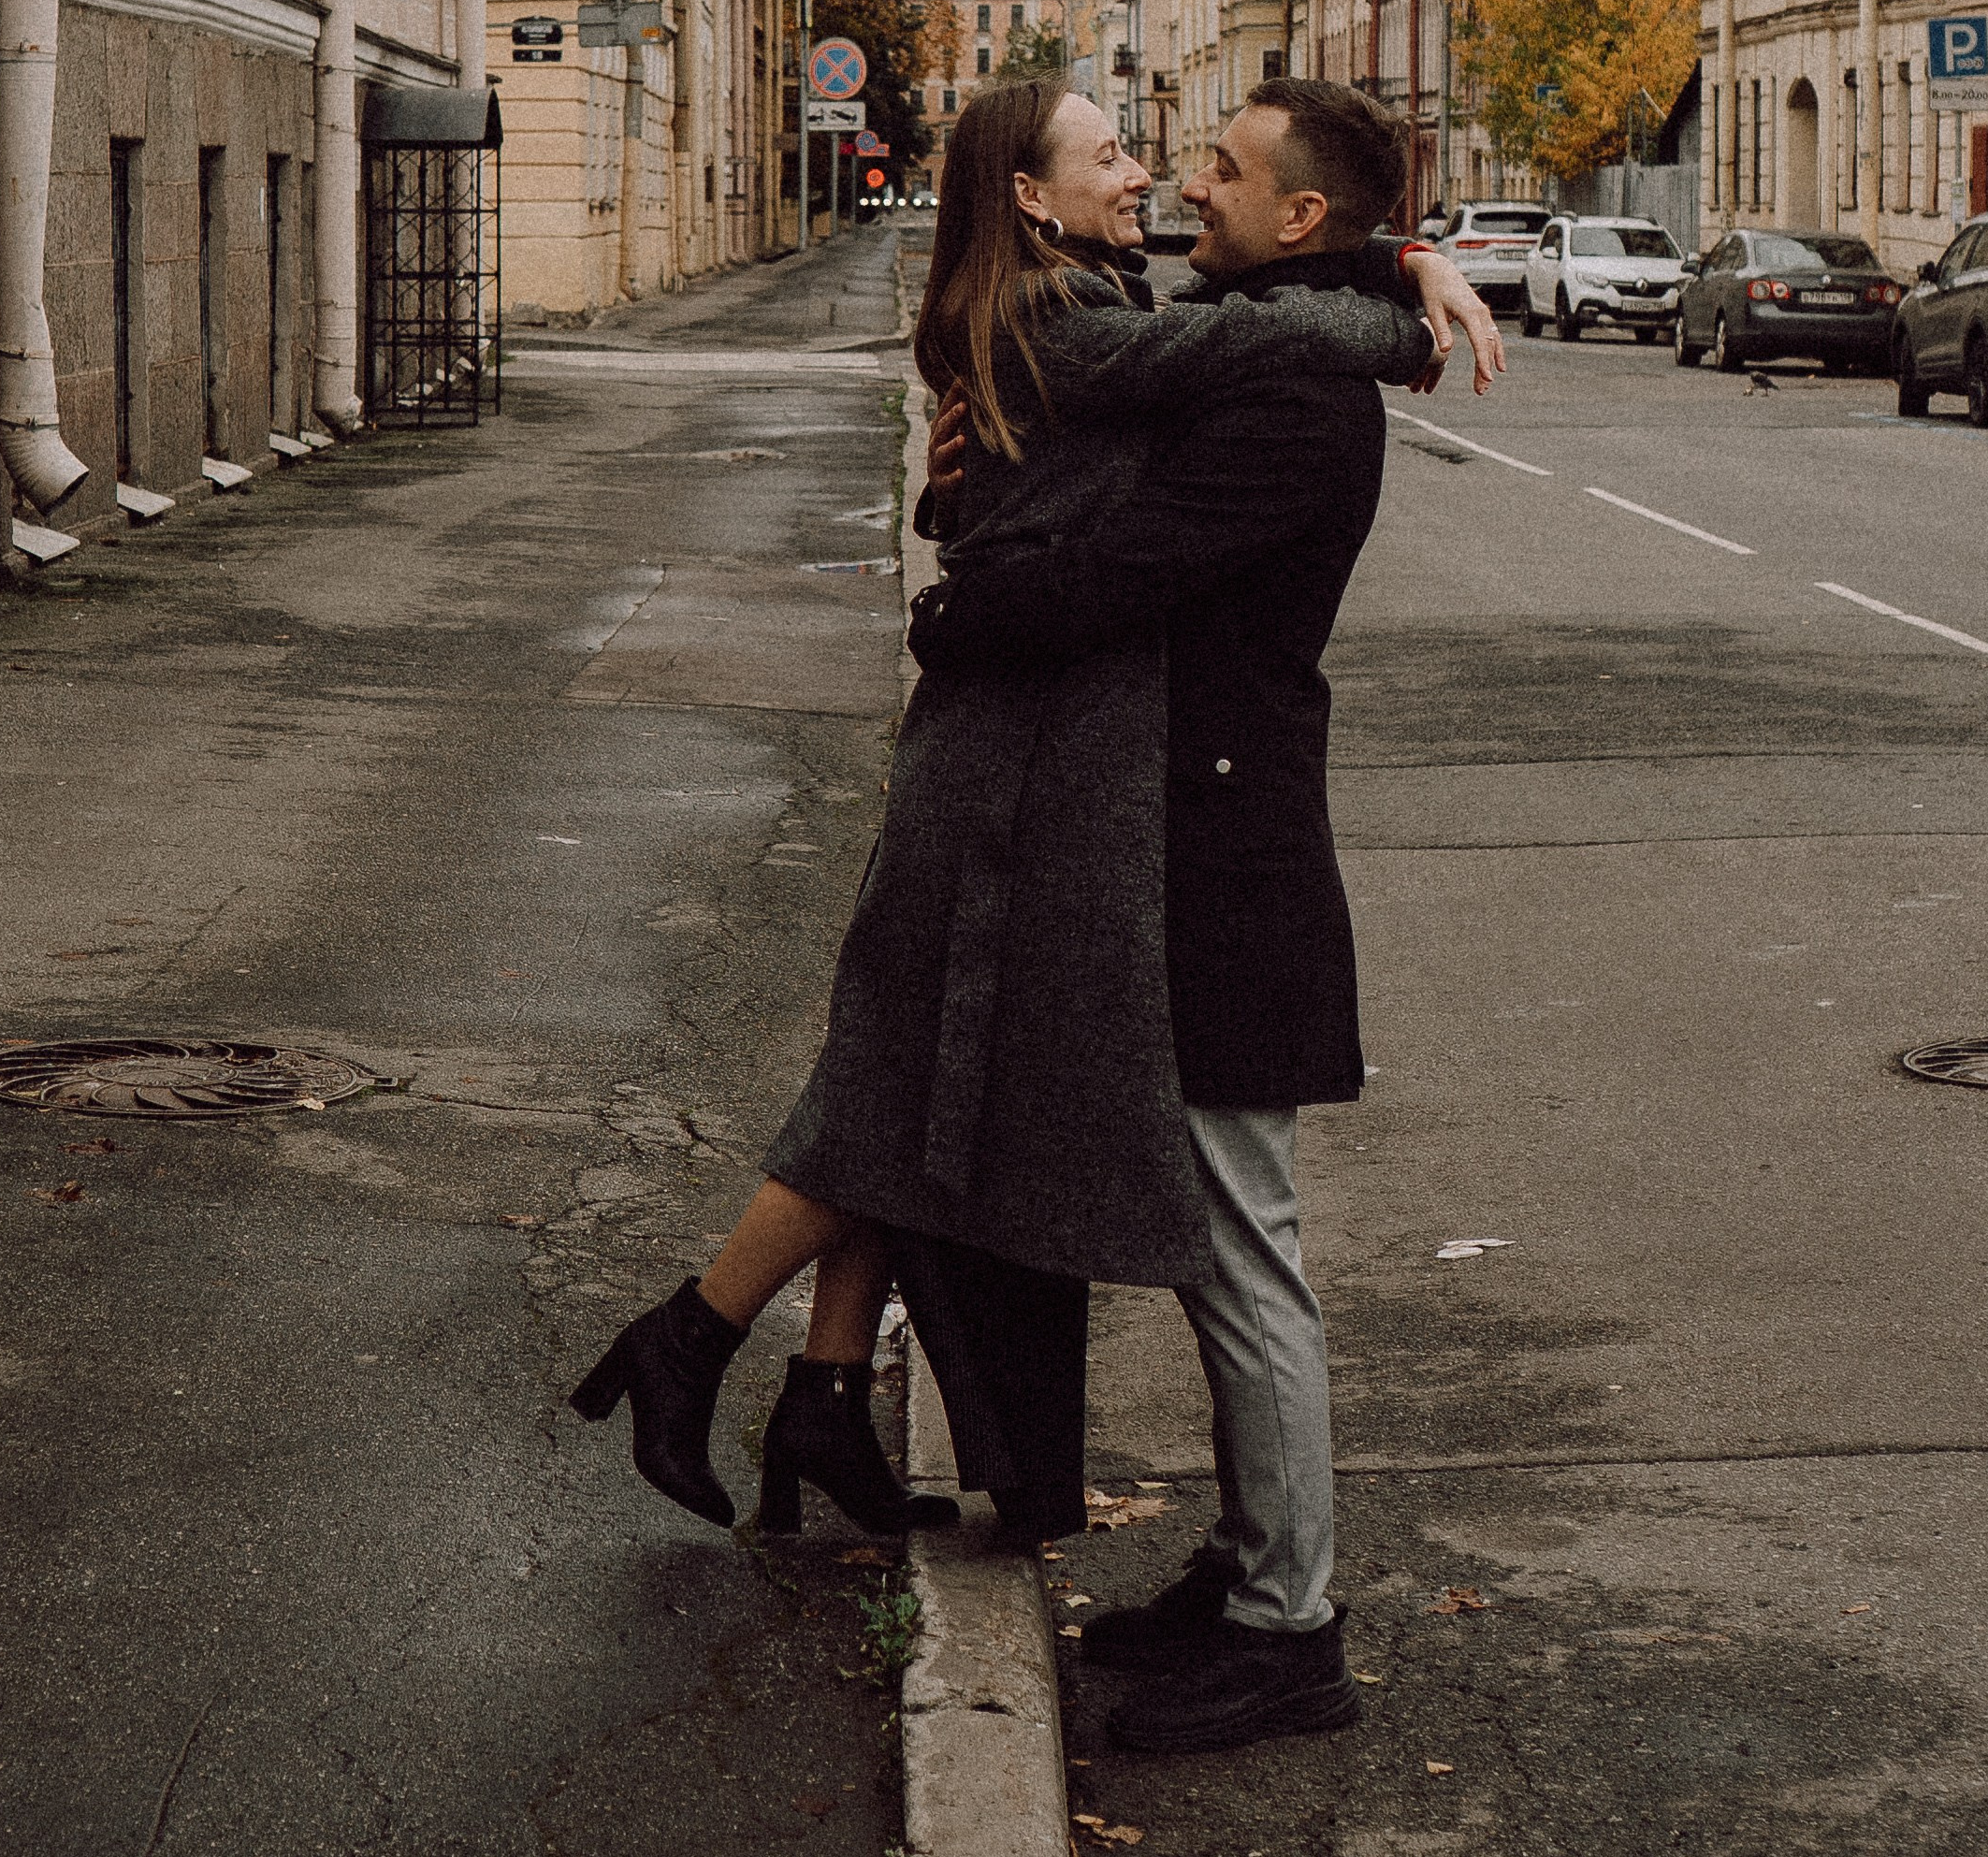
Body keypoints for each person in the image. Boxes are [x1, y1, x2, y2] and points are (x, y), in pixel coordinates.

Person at [571, 80, 1497, 1542]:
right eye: (1116, 153)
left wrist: (1399, 256)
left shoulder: (1070, 298)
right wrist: (1400, 290)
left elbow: (1037, 475)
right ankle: (687, 1334)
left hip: (1025, 750)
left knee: (925, 1083)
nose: (1152, 176)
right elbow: (1248, 342)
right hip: (1000, 759)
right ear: (1024, 191)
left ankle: (816, 1396)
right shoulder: (1066, 316)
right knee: (890, 1084)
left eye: (1173, 156)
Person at [915, 80, 1497, 1751]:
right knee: (1222, 1242)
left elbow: (1113, 571)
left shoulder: (1299, 398)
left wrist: (964, 608)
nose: (1187, 182)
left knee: (1247, 1247)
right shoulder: (1258, 335)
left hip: (1227, 853)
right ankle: (1253, 1563)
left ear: (1297, 220)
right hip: (1192, 832)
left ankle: (1287, 1624)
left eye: (1222, 172)